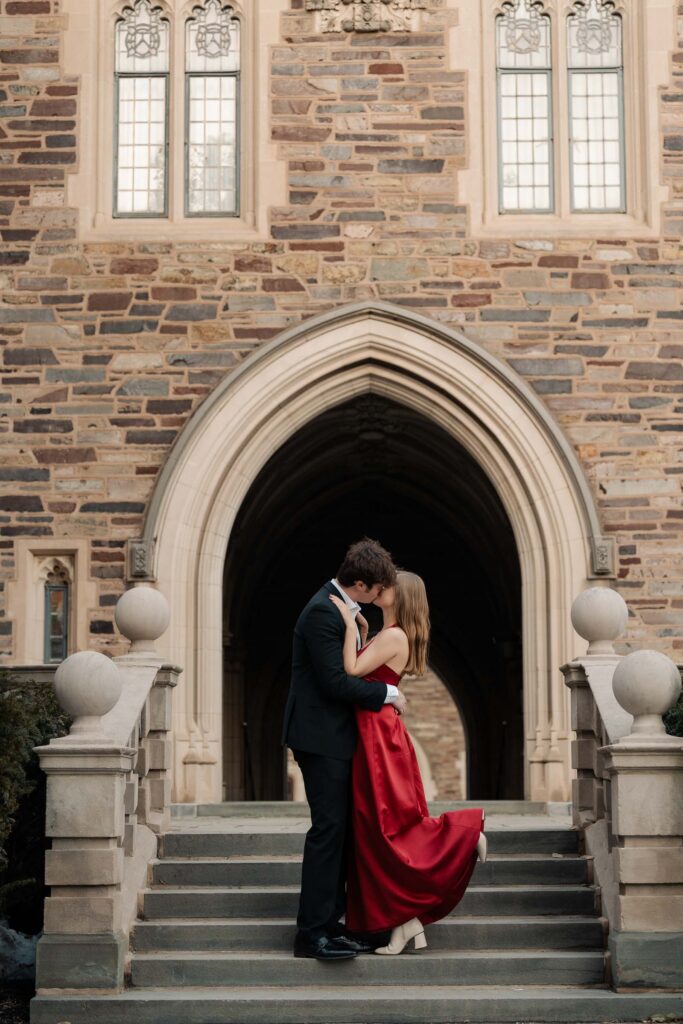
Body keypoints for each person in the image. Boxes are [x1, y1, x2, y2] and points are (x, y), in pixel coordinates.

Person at [329, 570, 486, 955]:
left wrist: (349, 624)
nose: (382, 586)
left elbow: (351, 670)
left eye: (390, 584)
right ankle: (406, 924)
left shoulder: (396, 636)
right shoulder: (388, 634)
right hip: (373, 732)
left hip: (379, 737)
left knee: (387, 824)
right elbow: (368, 673)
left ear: (402, 596)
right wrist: (363, 629)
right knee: (375, 828)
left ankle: (464, 837)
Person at [281, 538, 408, 961]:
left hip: (334, 737)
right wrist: (389, 693)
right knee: (328, 831)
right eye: (376, 590)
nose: (379, 597)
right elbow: (335, 682)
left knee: (340, 832)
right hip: (319, 738)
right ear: (359, 583)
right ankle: (311, 934)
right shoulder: (322, 611)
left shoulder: (340, 610)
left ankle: (332, 923)